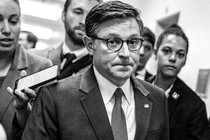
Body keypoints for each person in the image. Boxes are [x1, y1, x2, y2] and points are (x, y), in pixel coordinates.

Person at [21, 1, 169, 139]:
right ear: (90, 45)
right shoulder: (55, 98)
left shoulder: (157, 98)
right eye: (113, 42)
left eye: (133, 42)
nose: (125, 53)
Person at [147, 24, 210, 140]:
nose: (172, 58)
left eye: (180, 54)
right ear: (155, 54)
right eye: (166, 51)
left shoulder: (195, 106)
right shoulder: (136, 89)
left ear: (185, 60)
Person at [0, 0, 52, 140]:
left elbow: (43, 131)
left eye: (13, 21)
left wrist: (23, 111)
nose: (6, 29)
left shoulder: (40, 68)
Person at [30, 0, 102, 80]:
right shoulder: (34, 58)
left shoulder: (102, 71)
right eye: (78, 12)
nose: (83, 22)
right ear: (64, 15)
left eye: (91, 17)